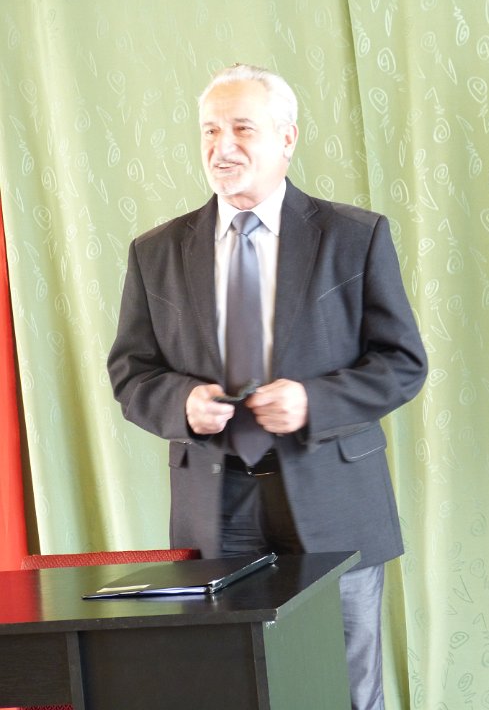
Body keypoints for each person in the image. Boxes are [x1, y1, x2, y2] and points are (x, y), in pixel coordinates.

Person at [108, 63, 428, 710]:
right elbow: (131, 372)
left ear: (287, 138)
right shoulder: (155, 252)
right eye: (210, 130)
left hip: (334, 502)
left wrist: (313, 402)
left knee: (347, 689)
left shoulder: (356, 237)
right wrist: (181, 403)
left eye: (242, 128)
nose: (221, 147)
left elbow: (402, 363)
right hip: (214, 507)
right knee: (228, 687)